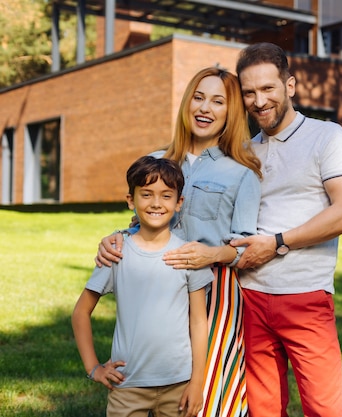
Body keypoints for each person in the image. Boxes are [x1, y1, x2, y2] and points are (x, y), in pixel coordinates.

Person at [96, 67, 262, 417]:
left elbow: (246, 246)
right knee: (158, 382)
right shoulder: (157, 160)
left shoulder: (242, 172)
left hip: (215, 292)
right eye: (199, 97)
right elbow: (139, 220)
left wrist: (211, 254)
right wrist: (113, 240)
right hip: (159, 290)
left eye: (218, 101)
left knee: (203, 399)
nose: (205, 108)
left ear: (231, 113)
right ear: (187, 103)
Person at [230, 42, 342, 417]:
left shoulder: (327, 136)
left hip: (305, 297)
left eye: (268, 88)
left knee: (324, 410)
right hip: (250, 297)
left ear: (290, 85)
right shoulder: (244, 151)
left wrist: (277, 244)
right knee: (263, 410)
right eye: (250, 92)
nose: (259, 101)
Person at [72, 155, 209, 417]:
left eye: (166, 196)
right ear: (130, 200)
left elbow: (199, 322)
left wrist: (197, 383)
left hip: (178, 385)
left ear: (179, 203)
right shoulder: (115, 253)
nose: (156, 203)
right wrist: (93, 368)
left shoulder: (189, 255)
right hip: (127, 385)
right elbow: (80, 313)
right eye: (146, 194)